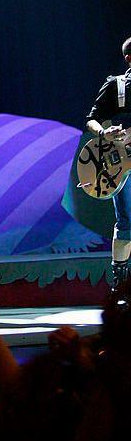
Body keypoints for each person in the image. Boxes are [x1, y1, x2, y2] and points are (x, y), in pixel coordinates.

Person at [85, 36, 131, 297]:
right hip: (124, 163)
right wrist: (104, 132)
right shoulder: (117, 85)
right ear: (129, 58)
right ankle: (121, 287)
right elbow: (92, 119)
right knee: (127, 221)